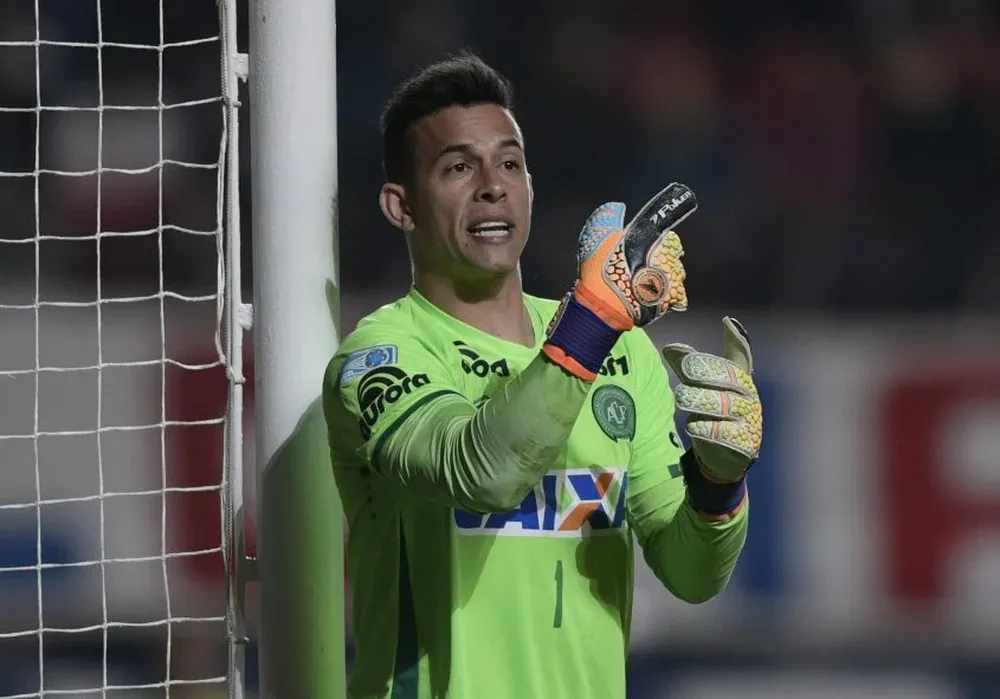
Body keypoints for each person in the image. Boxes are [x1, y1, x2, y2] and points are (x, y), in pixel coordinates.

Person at [323, 51, 763, 699]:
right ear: (402, 206)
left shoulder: (621, 351)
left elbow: (692, 574)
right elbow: (484, 473)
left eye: (509, 163)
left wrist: (719, 483)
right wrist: (594, 319)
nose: (492, 185)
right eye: (457, 167)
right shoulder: (381, 356)